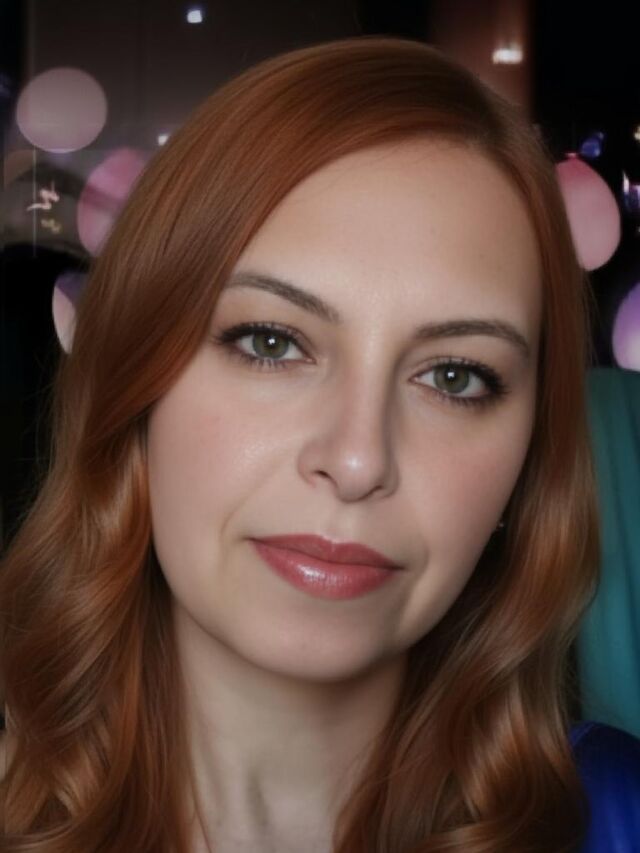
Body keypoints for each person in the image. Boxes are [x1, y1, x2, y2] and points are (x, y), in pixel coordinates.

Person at [1, 36, 639, 853]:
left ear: (526, 462)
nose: (358, 459)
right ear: (136, 388)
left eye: (454, 377)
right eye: (270, 342)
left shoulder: (616, 818)